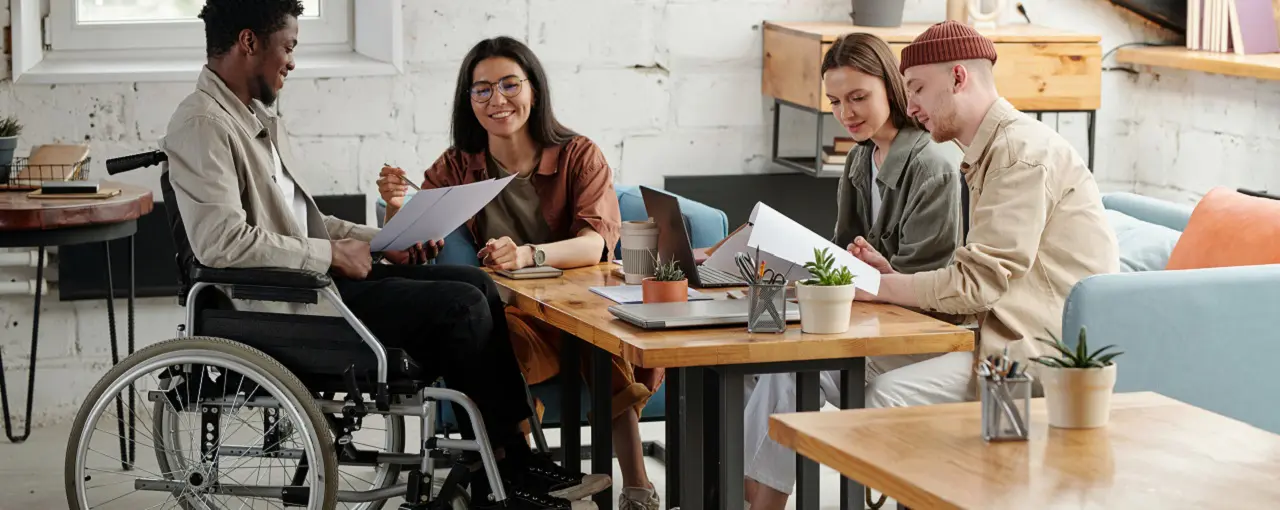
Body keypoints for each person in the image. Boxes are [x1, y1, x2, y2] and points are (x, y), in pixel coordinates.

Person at [163, 2, 598, 509]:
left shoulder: (251, 119)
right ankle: (503, 465)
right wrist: (331, 256)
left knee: (477, 284)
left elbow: (304, 225)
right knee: (461, 306)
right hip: (283, 304)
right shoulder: (201, 124)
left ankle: (509, 458)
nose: (292, 62)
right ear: (248, 42)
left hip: (311, 286)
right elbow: (221, 243)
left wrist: (388, 239)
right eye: (289, 47)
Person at [377, 37, 662, 510]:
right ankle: (520, 473)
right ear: (468, 101)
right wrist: (395, 211)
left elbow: (596, 241)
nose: (497, 100)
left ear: (534, 89)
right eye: (482, 89)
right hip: (514, 313)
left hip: (582, 304)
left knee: (601, 344)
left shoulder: (578, 155)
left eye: (510, 84)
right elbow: (411, 252)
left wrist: (528, 254)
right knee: (495, 347)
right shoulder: (455, 166)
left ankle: (636, 486)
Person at [740, 32, 968, 510]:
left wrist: (872, 274)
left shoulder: (933, 167)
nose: (846, 113)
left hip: (923, 339)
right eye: (836, 101)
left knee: (790, 366)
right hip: (873, 325)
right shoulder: (860, 158)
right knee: (778, 370)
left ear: (893, 87)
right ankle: (752, 502)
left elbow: (932, 293)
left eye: (859, 97)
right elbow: (841, 255)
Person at [850, 21, 1119, 394]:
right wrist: (891, 278)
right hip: (992, 335)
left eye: (918, 89)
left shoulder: (1017, 156)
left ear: (958, 78)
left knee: (887, 391)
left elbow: (977, 286)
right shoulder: (992, 153)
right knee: (846, 366)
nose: (910, 108)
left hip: (1039, 353)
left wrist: (882, 286)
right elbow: (978, 286)